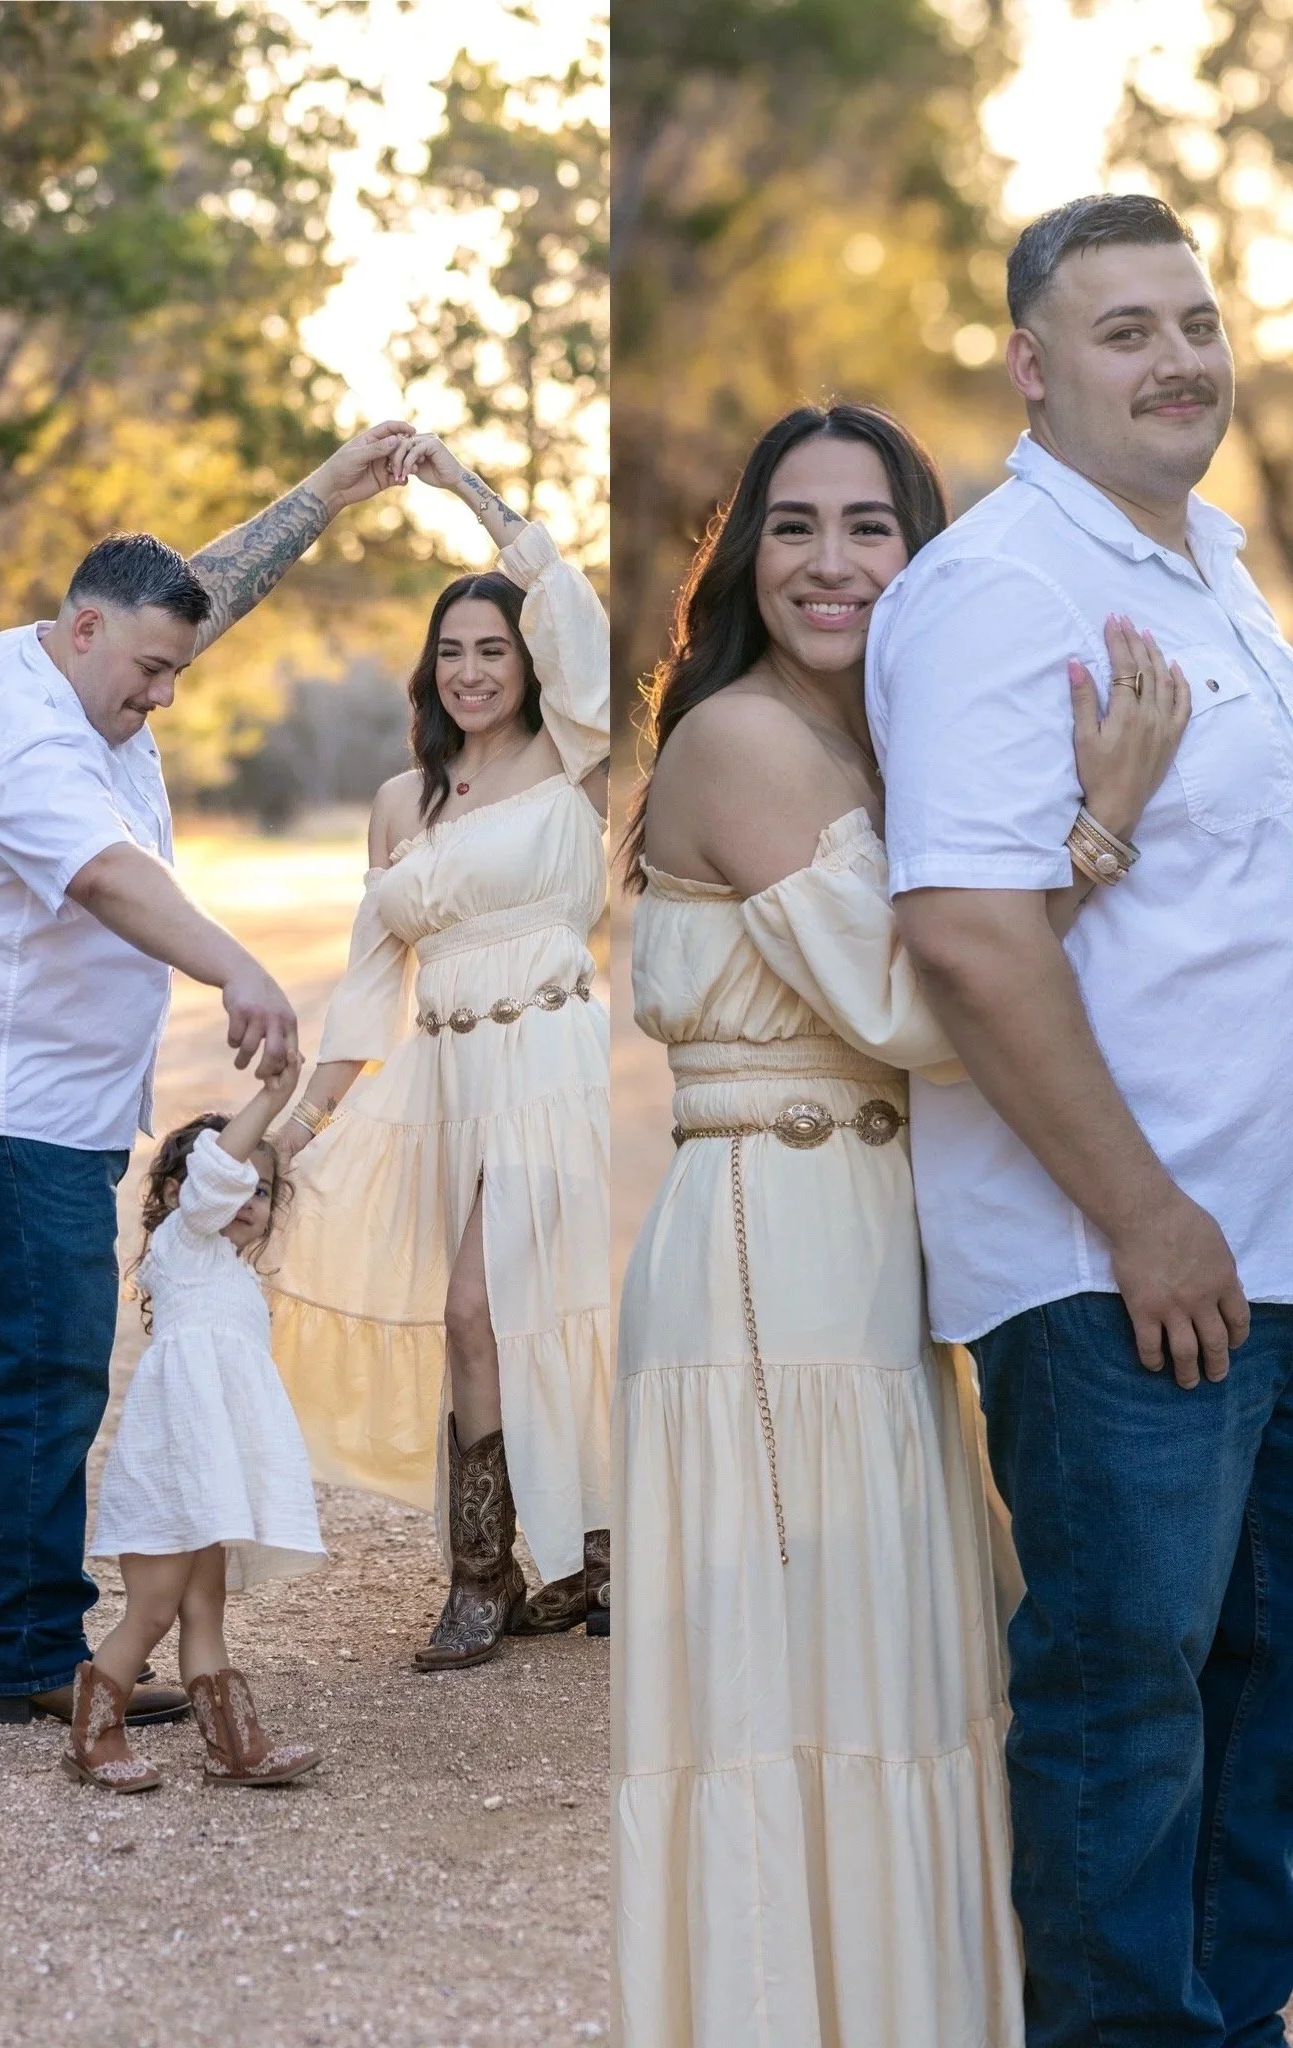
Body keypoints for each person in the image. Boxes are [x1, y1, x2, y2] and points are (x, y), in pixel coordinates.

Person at [611, 395, 1187, 2043]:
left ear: (920, 557)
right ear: (742, 556)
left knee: (892, 1675)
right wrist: (1095, 820)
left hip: (865, 1252)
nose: (829, 559)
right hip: (761, 1255)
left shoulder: (869, 746)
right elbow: (910, 996)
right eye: (790, 524)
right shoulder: (739, 738)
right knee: (792, 1689)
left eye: (869, 526)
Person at [872, 193, 1293, 2046]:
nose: (1174, 357)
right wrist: (1142, 1213)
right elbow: (962, 932)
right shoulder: (989, 591)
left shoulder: (1214, 561)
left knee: (1261, 1719)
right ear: (1031, 368)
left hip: (1264, 1246)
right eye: (1120, 329)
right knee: (1127, 1717)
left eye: (1190, 320)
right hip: (1120, 1266)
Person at [0, 423, 415, 1726]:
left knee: (46, 1370)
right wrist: (237, 967)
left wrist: (324, 497)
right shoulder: (28, 731)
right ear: (78, 630)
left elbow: (198, 593)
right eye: (153, 672)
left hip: (68, 1109)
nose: (169, 694)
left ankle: (29, 1639)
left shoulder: (97, 664)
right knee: (47, 1372)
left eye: (174, 670)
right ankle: (26, 1661)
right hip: (24, 1118)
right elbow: (113, 880)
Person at [266, 429, 612, 1670]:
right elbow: (367, 986)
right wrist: (291, 1131)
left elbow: (572, 605)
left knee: (490, 1304)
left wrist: (468, 490)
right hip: (445, 1075)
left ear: (528, 663)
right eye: (452, 653)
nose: (473, 672)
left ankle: (488, 1573)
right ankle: (559, 1556)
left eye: (494, 649)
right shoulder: (399, 804)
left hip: (548, 1056)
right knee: (479, 1311)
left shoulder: (575, 759)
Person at [67, 1061, 327, 1792]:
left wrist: (316, 1108)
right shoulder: (187, 1242)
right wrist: (273, 1095)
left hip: (207, 1469)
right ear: (183, 1196)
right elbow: (221, 1171)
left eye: (263, 1190)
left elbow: (260, 1161)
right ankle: (94, 1736)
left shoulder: (236, 1276)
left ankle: (232, 1745)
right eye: (232, 1178)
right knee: (150, 1611)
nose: (246, 1195)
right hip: (172, 1463)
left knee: (204, 1608)